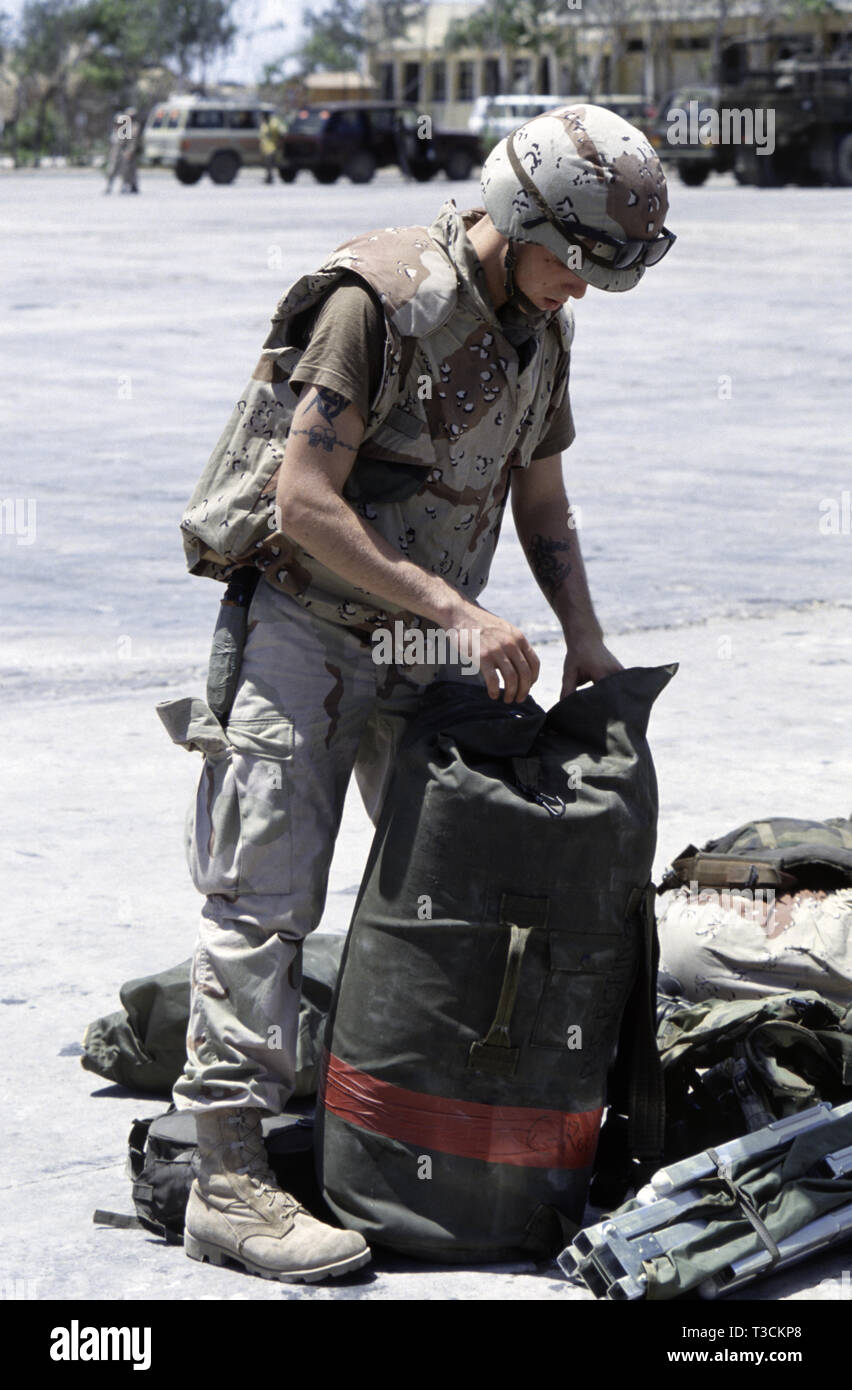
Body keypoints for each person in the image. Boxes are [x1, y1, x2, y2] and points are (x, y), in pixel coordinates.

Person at [165, 104, 675, 1283]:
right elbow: (302, 499)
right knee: (262, 899)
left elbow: (541, 505)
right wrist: (457, 612)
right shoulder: (375, 302)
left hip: (426, 648)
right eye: (579, 264)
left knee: (461, 893)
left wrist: (585, 639)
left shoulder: (539, 326)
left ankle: (417, 1132)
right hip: (307, 626)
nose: (585, 292)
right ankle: (227, 1176)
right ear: (521, 219)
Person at [259, 110, 284, 184]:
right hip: (265, 148)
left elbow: (280, 134)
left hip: (272, 147)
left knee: (269, 163)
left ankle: (269, 178)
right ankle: (269, 177)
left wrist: (278, 143)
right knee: (267, 164)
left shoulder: (273, 123)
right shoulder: (264, 124)